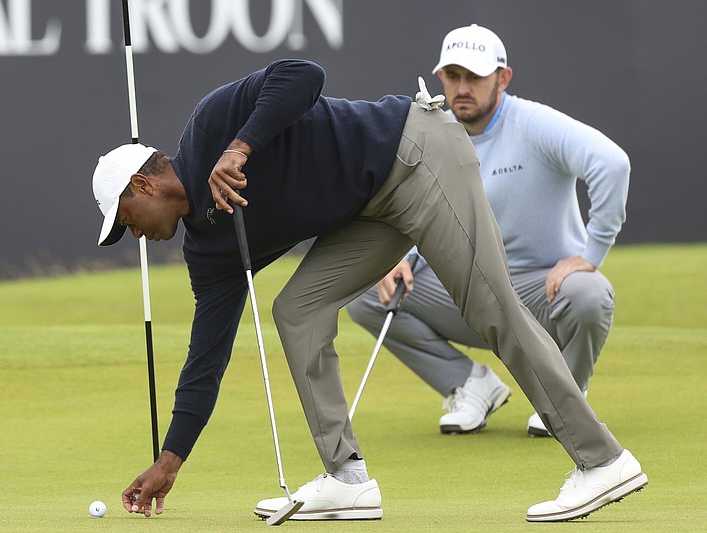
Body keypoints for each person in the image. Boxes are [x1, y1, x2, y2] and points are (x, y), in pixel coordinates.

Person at [91, 58, 645, 523]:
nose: (133, 234)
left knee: (490, 307)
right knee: (298, 310)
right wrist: (171, 458)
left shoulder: (213, 121)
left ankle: (602, 461)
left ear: (144, 184)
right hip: (371, 210)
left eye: (127, 219)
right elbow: (205, 355)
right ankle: (347, 478)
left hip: (416, 151)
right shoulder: (206, 249)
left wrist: (240, 147)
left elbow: (304, 75)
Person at [348, 24, 631, 439]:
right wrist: (398, 259)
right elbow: (408, 207)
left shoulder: (533, 124)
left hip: (541, 293)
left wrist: (591, 254)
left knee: (589, 294)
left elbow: (612, 163)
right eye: (453, 76)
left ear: (503, 78)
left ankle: (564, 397)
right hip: (468, 290)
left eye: (475, 77)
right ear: (440, 77)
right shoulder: (428, 131)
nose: (462, 88)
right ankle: (469, 384)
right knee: (364, 289)